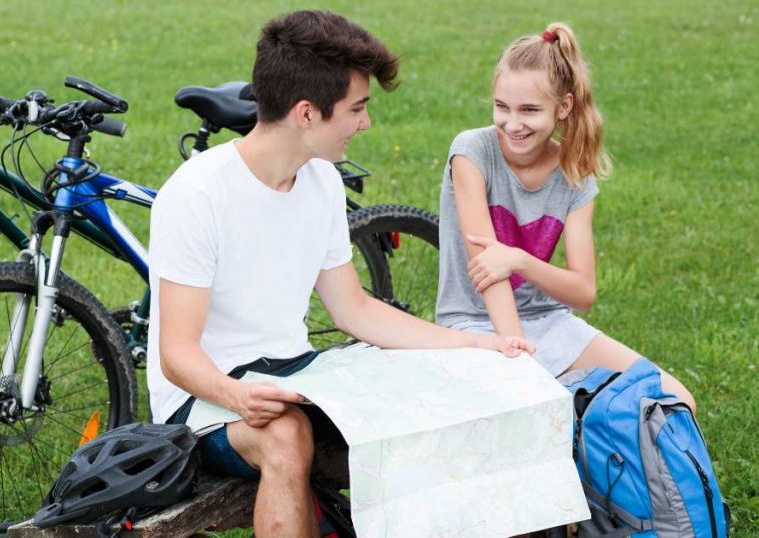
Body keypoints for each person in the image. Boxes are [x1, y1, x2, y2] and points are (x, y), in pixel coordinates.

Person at [148, 10, 534, 538]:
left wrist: (472, 344)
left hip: (293, 373)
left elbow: (355, 310)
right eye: (356, 109)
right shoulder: (196, 194)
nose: (365, 123)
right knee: (286, 435)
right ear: (307, 113)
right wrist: (239, 397)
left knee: (429, 396)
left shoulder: (321, 181)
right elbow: (177, 354)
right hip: (205, 402)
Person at [436, 22, 696, 412]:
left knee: (676, 399)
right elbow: (487, 270)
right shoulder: (472, 152)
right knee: (532, 413)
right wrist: (517, 353)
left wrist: (521, 260)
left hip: (549, 322)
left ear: (563, 107)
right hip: (475, 323)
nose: (512, 123)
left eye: (529, 110)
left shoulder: (574, 173)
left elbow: (583, 292)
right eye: (501, 107)